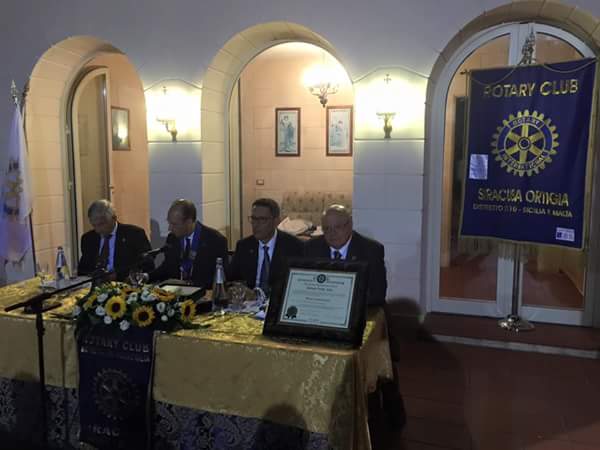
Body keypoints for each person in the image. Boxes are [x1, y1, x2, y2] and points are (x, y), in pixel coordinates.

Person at [304, 204, 387, 305]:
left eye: (337, 227)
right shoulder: (311, 248)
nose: (332, 233)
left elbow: (377, 294)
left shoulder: (372, 250)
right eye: (327, 228)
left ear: (350, 224)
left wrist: (344, 303)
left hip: (356, 308)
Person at [228, 198, 303, 295]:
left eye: (262, 219)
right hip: (249, 301)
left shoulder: (293, 246)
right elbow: (232, 280)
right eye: (253, 219)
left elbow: (298, 284)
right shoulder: (243, 246)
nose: (255, 225)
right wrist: (242, 291)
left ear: (276, 221)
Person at [150, 199, 228, 288]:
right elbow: (167, 266)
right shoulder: (172, 239)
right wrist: (147, 276)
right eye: (169, 223)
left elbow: (220, 277)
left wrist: (189, 284)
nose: (169, 228)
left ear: (189, 222)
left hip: (202, 292)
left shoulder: (215, 241)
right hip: (175, 292)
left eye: (174, 224)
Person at [77, 199, 153, 282]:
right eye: (94, 225)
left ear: (114, 218)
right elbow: (82, 270)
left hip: (124, 284)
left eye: (101, 224)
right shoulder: (88, 239)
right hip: (95, 286)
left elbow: (147, 265)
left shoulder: (134, 234)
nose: (98, 230)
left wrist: (118, 276)